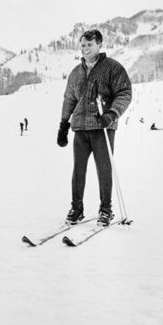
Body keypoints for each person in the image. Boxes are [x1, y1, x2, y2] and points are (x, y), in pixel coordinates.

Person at [57, 29, 132, 227]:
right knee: (78, 170)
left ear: (99, 45)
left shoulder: (112, 68)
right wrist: (64, 125)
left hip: (103, 128)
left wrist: (112, 113)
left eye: (89, 45)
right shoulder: (75, 72)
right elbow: (69, 99)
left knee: (104, 169)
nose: (85, 48)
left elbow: (124, 92)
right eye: (82, 45)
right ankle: (77, 209)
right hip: (80, 128)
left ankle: (106, 210)